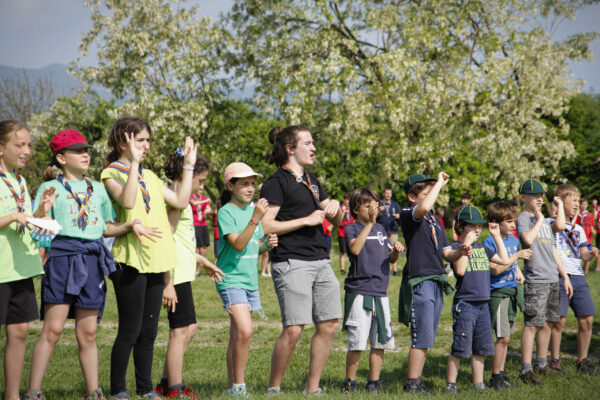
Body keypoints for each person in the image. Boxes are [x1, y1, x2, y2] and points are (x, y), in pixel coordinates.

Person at [24, 129, 159, 400]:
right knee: (53, 329)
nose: (85, 155)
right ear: (61, 158)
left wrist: (129, 226)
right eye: (77, 151)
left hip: (91, 260)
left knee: (88, 332)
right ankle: (33, 391)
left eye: (86, 150)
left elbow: (106, 227)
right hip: (62, 259)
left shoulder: (96, 188)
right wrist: (41, 212)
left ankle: (93, 391)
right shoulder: (51, 189)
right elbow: (38, 227)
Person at [101, 116, 197, 399]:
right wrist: (133, 164)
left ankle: (145, 389)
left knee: (149, 331)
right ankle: (119, 390)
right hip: (130, 260)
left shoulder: (151, 177)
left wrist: (188, 166)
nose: (146, 146)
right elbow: (128, 201)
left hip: (156, 258)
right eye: (140, 140)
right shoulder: (111, 173)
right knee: (129, 331)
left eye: (147, 141)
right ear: (123, 143)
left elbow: (181, 201)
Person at [260, 125, 343, 395]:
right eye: (307, 143)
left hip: (321, 260)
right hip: (291, 262)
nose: (313, 148)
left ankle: (312, 388)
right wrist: (306, 220)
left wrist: (336, 209)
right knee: (294, 329)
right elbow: (266, 225)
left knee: (329, 324)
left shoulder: (311, 179)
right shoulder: (276, 183)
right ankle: (274, 389)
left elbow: (335, 218)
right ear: (290, 149)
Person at [154, 149, 225, 399]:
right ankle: (174, 389)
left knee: (189, 328)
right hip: (174, 275)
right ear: (186, 175)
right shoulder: (176, 202)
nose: (202, 187)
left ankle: (166, 383)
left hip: (183, 273)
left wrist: (202, 260)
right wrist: (168, 282)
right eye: (200, 181)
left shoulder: (181, 201)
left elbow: (181, 243)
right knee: (180, 331)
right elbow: (164, 239)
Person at [0, 120, 55, 400]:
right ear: (1, 148)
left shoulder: (19, 181)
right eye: (19, 145)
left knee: (20, 331)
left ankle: (11, 396)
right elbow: (13, 217)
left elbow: (25, 220)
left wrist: (41, 212)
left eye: (29, 145)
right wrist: (12, 216)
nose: (27, 151)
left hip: (20, 268)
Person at [397, 173, 468, 393]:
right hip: (421, 280)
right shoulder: (408, 214)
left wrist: (460, 251)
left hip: (437, 279)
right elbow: (424, 207)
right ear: (412, 197)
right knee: (421, 335)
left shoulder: (435, 221)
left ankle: (416, 381)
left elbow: (447, 253)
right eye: (426, 193)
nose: (431, 196)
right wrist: (438, 184)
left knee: (428, 336)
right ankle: (412, 383)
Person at [216, 162, 278, 398]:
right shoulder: (226, 213)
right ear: (230, 186)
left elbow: (252, 245)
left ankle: (231, 387)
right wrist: (256, 218)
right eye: (244, 184)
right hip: (230, 279)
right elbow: (238, 244)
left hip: (250, 280)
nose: (250, 189)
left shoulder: (252, 211)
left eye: (252, 184)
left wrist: (266, 245)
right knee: (245, 331)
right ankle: (240, 387)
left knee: (236, 335)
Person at [340, 188, 403, 394]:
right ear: (356, 209)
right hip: (360, 291)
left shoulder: (381, 229)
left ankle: (374, 382)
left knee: (380, 340)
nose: (372, 209)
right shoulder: (352, 228)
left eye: (374, 205)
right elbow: (355, 249)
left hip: (380, 291)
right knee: (357, 341)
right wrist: (369, 224)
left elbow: (390, 258)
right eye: (367, 206)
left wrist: (395, 252)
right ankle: (349, 383)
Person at [444, 205, 510, 394]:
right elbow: (460, 271)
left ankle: (478, 384)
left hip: (483, 305)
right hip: (465, 305)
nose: (477, 230)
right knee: (460, 347)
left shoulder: (483, 247)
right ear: (461, 227)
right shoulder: (455, 248)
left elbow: (505, 260)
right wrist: (465, 245)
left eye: (479, 226)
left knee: (481, 348)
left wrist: (496, 236)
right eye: (473, 226)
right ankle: (450, 385)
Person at [516, 179, 573, 385]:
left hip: (551, 278)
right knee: (532, 324)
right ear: (523, 197)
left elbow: (559, 229)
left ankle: (541, 364)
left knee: (549, 322)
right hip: (536, 279)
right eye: (534, 196)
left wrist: (564, 276)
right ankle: (526, 370)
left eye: (541, 196)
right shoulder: (524, 218)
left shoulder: (546, 221)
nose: (539, 199)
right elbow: (527, 240)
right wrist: (540, 219)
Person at [549, 184, 599, 374]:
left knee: (587, 319)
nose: (577, 204)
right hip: (559, 276)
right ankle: (554, 360)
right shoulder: (550, 222)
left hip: (578, 276)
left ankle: (582, 359)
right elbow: (558, 227)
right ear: (560, 202)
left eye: (579, 200)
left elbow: (583, 254)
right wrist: (559, 208)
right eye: (573, 200)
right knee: (559, 321)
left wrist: (591, 254)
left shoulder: (578, 228)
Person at [484, 201, 532, 390]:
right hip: (498, 293)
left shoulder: (513, 241)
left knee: (506, 337)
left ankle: (501, 374)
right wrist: (516, 256)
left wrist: (518, 273)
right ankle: (495, 378)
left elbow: (512, 264)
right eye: (509, 221)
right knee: (502, 337)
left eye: (514, 221)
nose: (514, 225)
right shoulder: (490, 242)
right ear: (496, 223)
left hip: (512, 291)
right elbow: (495, 270)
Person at [376, 188, 401, 275]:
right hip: (381, 231)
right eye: (386, 193)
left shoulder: (395, 204)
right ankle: (383, 269)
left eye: (390, 193)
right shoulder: (378, 204)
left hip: (393, 230)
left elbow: (401, 215)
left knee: (394, 249)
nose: (388, 195)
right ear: (383, 194)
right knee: (382, 250)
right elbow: (373, 216)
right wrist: (379, 210)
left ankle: (395, 271)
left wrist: (399, 216)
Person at [190, 188, 211, 270]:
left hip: (203, 224)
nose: (201, 191)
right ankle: (196, 269)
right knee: (196, 248)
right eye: (199, 189)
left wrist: (208, 209)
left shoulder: (204, 198)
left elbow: (208, 207)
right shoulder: (191, 196)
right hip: (195, 225)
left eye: (202, 190)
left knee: (204, 247)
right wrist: (206, 201)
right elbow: (194, 203)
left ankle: (201, 267)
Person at [574, 198, 594, 274]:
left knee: (588, 253)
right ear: (580, 205)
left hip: (588, 238)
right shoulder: (577, 215)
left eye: (585, 204)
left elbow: (592, 225)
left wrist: (592, 230)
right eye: (582, 204)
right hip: (578, 238)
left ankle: (585, 272)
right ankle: (577, 269)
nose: (584, 206)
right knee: (578, 254)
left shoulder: (590, 214)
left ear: (587, 205)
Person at [338, 193, 354, 275]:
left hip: (350, 233)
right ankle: (342, 269)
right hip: (342, 233)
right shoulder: (340, 208)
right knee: (343, 252)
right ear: (343, 200)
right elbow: (338, 221)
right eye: (347, 199)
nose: (348, 201)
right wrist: (343, 212)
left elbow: (354, 220)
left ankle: (353, 267)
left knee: (352, 251)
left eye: (349, 200)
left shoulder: (351, 209)